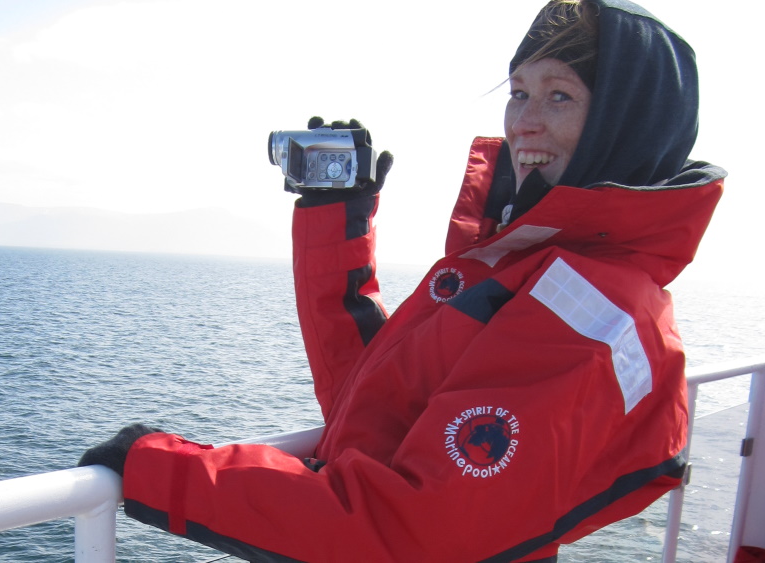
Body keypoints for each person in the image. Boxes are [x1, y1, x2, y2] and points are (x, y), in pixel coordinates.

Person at [78, 0, 725, 560]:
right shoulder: (534, 264)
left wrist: (158, 467)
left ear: (628, 122)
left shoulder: (592, 307)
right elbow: (371, 402)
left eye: (560, 95)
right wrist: (337, 221)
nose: (525, 119)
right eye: (519, 91)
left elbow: (410, 534)